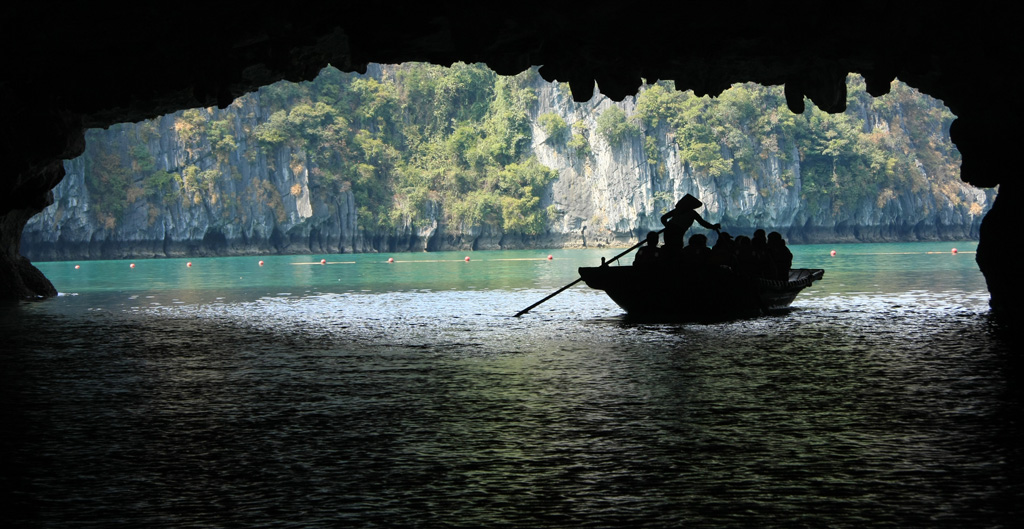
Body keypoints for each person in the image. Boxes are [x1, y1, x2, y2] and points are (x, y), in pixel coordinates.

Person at [660, 194, 720, 258]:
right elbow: (703, 223)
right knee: (677, 249)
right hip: (677, 232)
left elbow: (663, 218)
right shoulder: (692, 213)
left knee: (670, 248)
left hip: (669, 231)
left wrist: (668, 227)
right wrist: (713, 226)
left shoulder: (677, 210)